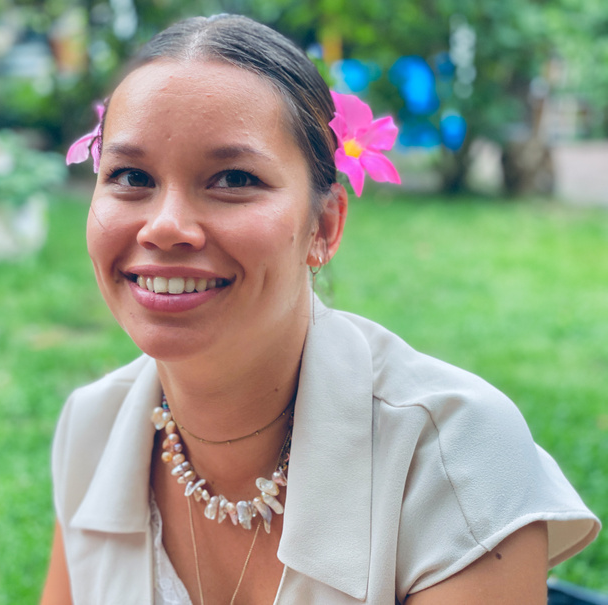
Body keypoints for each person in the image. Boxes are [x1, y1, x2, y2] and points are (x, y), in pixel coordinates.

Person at [42, 14, 600, 605]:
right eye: (131, 175)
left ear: (324, 226)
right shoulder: (93, 427)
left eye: (233, 178)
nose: (166, 226)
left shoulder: (452, 461)